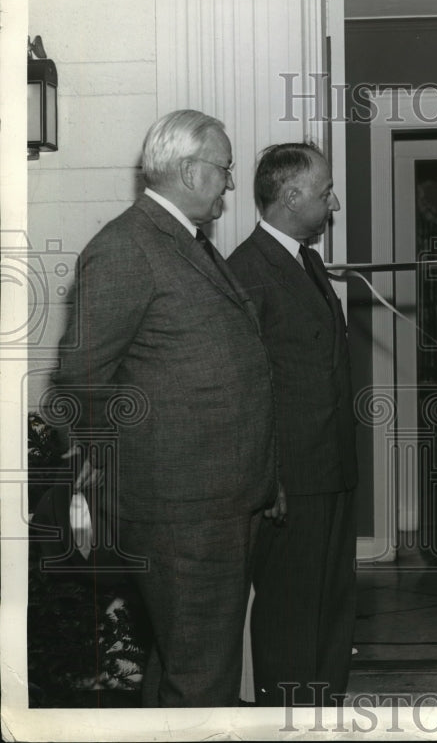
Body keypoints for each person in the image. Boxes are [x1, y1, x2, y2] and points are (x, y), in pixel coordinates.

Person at [48, 109, 278, 707]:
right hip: (183, 510)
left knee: (188, 662)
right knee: (202, 677)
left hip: (220, 498)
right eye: (224, 170)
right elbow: (78, 380)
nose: (231, 184)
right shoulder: (127, 247)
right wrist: (116, 473)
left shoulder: (184, 242)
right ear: (187, 169)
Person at [227, 143, 358, 707]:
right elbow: (244, 389)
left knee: (332, 606)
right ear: (292, 194)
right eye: (326, 191)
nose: (334, 202)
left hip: (331, 470)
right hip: (290, 483)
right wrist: (268, 477)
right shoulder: (245, 271)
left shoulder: (307, 260)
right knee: (289, 613)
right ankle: (289, 719)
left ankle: (324, 712)